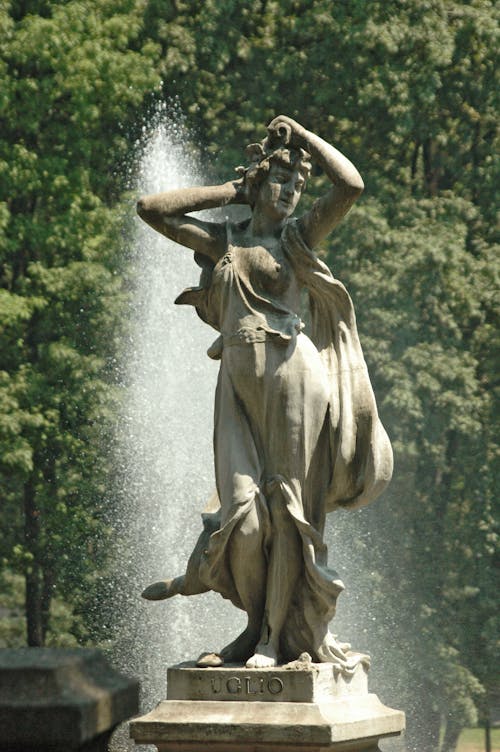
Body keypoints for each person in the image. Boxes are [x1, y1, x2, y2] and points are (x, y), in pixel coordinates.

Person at [137, 115, 393, 669]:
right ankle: (253, 624)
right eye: (280, 181)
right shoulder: (223, 240)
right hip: (236, 387)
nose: (291, 191)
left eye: (297, 184)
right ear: (258, 185)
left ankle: (272, 638)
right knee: (242, 519)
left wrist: (301, 136)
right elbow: (152, 209)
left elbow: (351, 186)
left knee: (286, 511)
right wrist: (235, 189)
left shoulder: (298, 237)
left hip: (294, 379)